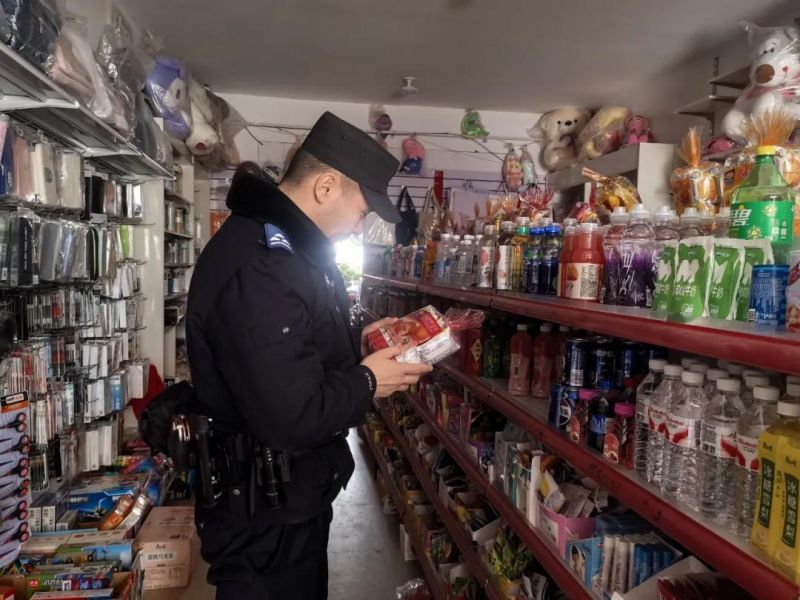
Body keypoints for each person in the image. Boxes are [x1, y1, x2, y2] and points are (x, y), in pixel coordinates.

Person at [186, 111, 432, 599]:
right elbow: (292, 415)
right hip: (262, 516)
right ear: (325, 187)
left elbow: (292, 349)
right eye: (363, 210)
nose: (360, 226)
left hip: (287, 498)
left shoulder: (291, 250)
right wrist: (368, 380)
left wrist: (358, 344)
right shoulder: (261, 265)